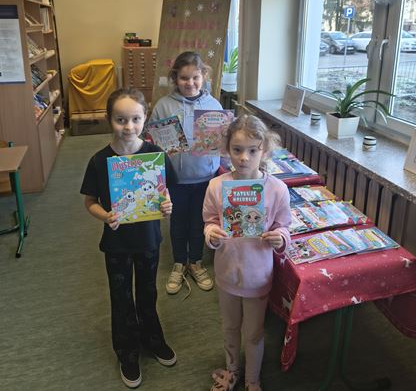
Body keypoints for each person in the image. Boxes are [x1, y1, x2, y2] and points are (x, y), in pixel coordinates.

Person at [80, 88, 177, 389]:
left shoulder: (155, 155)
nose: (128, 126)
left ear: (145, 117)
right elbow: (90, 202)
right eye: (120, 119)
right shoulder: (100, 161)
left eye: (135, 119)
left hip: (148, 239)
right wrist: (104, 215)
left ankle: (152, 338)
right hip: (117, 244)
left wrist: (167, 204)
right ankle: (127, 351)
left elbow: (165, 192)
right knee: (121, 298)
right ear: (109, 119)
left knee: (148, 292)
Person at [203, 114, 291, 391]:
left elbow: (284, 226)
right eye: (237, 149)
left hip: (258, 276)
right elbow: (209, 221)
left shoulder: (277, 189)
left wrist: (280, 238)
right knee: (229, 328)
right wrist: (211, 234)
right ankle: (232, 371)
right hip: (227, 273)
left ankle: (253, 379)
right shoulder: (217, 186)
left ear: (264, 150)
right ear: (227, 149)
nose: (244, 158)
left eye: (253, 150)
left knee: (253, 333)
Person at [149, 51, 223, 295]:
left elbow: (221, 142)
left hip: (206, 178)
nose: (190, 83)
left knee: (200, 221)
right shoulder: (164, 106)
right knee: (178, 222)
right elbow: (154, 144)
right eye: (184, 78)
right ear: (175, 78)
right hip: (176, 179)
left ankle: (196, 262)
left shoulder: (213, 105)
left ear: (204, 77)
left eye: (195, 77)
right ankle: (179, 262)